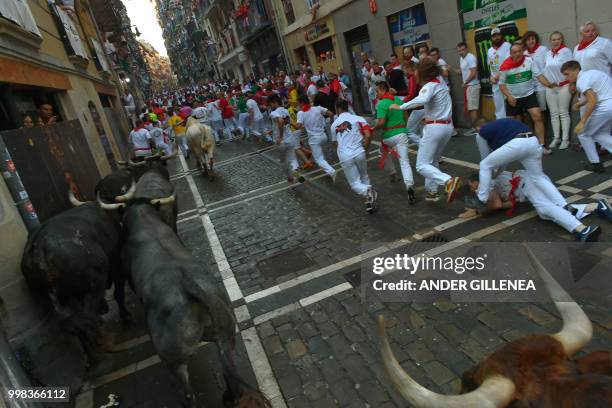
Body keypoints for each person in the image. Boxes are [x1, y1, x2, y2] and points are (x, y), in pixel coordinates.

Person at [461, 171, 607, 242]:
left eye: (474, 187)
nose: (474, 190)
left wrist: (478, 211)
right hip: (533, 180)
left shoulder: (487, 183)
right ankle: (596, 207)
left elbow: (496, 205)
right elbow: (510, 203)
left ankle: (582, 230)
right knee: (545, 212)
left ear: (479, 181)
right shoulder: (490, 184)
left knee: (544, 208)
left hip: (529, 182)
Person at [390, 60, 461, 204]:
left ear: (423, 72)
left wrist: (402, 107)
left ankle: (448, 181)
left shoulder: (429, 86)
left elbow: (421, 100)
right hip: (446, 127)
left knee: (421, 165)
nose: (414, 73)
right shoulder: (440, 82)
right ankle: (432, 191)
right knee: (432, 161)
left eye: (417, 70)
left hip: (435, 128)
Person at [469, 118, 551, 210]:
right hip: (529, 181)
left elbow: (498, 205)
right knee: (547, 205)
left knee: (547, 209)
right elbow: (503, 161)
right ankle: (564, 205)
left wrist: (479, 207)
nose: (472, 190)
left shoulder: (485, 134)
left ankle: (481, 200)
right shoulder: (499, 132)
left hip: (527, 184)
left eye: (471, 187)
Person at [498, 43, 552, 154]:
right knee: (513, 124)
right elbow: (501, 85)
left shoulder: (529, 61)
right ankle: (516, 148)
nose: (517, 54)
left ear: (522, 51)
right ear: (511, 54)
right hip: (513, 98)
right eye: (514, 52)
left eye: (519, 51)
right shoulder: (504, 66)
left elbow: (539, 76)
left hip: (529, 95)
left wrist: (550, 84)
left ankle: (541, 146)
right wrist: (509, 97)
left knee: (537, 117)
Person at [561, 60, 612, 173]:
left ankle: (595, 164)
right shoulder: (591, 73)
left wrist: (582, 121)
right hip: (609, 105)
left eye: (566, 74)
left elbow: (593, 101)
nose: (566, 78)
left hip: (606, 107)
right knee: (600, 133)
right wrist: (581, 103)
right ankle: (596, 163)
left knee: (583, 133)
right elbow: (597, 93)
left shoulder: (582, 80)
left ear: (575, 70)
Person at [331, 99, 378, 213]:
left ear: (337, 109)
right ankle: (369, 202)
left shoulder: (334, 125)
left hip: (345, 156)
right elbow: (368, 134)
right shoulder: (358, 119)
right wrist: (366, 149)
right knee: (364, 176)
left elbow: (335, 143)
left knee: (354, 184)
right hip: (359, 152)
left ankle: (368, 191)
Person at [373, 81, 416, 204]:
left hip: (388, 136)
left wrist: (373, 128)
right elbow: (406, 115)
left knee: (383, 150)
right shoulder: (398, 101)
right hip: (402, 134)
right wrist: (404, 128)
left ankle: (392, 172)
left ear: (382, 90)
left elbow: (381, 123)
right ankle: (409, 186)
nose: (376, 94)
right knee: (404, 162)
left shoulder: (382, 104)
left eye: (377, 91)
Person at [542, 31, 573, 150]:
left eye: (558, 39)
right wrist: (548, 83)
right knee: (553, 113)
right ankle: (556, 138)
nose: (556, 41)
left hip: (564, 86)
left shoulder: (566, 51)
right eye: (553, 39)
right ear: (550, 41)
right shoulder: (548, 53)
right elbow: (545, 69)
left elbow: (572, 68)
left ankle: (565, 139)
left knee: (563, 112)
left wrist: (571, 84)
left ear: (562, 40)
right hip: (550, 87)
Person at [295, 95, 336, 180]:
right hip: (323, 136)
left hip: (314, 139)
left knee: (318, 159)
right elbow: (331, 114)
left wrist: (291, 123)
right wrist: (331, 123)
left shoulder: (301, 113)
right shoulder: (318, 108)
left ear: (302, 103)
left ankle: (331, 171)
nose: (297, 105)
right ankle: (327, 170)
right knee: (320, 154)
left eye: (298, 103)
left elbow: (298, 126)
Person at [268, 95, 304, 183]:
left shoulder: (274, 113)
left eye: (271, 104)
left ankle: (289, 177)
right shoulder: (286, 111)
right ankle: (295, 170)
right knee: (292, 158)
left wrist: (280, 137)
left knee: (283, 161)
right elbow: (288, 123)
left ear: (275, 103)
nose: (270, 106)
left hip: (281, 142)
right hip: (290, 139)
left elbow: (280, 121)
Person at [487, 27, 511, 119]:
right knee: (498, 107)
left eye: (498, 35)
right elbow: (490, 67)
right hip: (495, 83)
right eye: (494, 36)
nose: (496, 38)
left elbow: (508, 63)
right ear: (491, 38)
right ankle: (501, 126)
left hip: (506, 81)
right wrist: (491, 77)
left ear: (501, 36)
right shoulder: (489, 51)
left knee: (509, 105)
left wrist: (497, 76)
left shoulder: (507, 46)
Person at [457, 42, 480, 134]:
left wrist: (465, 82)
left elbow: (473, 73)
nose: (461, 52)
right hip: (468, 86)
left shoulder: (470, 57)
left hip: (473, 85)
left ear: (466, 49)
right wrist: (451, 69)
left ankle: (475, 128)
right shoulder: (462, 58)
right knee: (470, 108)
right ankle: (474, 127)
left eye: (463, 50)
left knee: (473, 108)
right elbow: (462, 72)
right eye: (459, 50)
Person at [522, 31, 549, 112]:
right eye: (528, 40)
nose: (531, 41)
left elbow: (547, 65)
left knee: (542, 109)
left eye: (533, 39)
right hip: (530, 87)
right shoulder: (524, 53)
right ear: (525, 42)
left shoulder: (543, 49)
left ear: (536, 39)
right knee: (532, 109)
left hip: (542, 85)